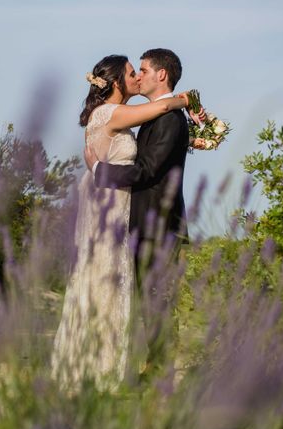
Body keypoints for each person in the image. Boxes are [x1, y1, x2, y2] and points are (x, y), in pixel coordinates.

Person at [51, 51, 202, 393]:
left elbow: (154, 152)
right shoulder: (116, 113)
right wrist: (188, 100)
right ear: (118, 82)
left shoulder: (124, 114)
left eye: (142, 70)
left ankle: (106, 367)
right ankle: (105, 371)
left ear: (160, 75)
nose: (137, 77)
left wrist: (194, 137)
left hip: (130, 212)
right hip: (115, 208)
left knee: (120, 291)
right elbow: (161, 117)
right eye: (134, 72)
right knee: (112, 288)